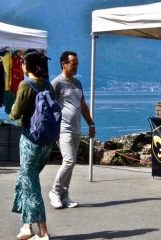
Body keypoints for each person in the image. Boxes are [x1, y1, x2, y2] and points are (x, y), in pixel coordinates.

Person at [11, 51, 53, 240]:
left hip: (30, 139)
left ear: (26, 65)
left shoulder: (25, 85)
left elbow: (16, 113)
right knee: (25, 180)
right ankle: (26, 226)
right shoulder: (48, 85)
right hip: (47, 141)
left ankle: (43, 232)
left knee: (31, 183)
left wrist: (13, 110)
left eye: (21, 63)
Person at [49, 51, 95, 210]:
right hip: (63, 129)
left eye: (77, 63)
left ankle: (64, 195)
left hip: (76, 128)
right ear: (64, 64)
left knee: (71, 163)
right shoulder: (56, 83)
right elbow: (48, 106)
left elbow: (82, 105)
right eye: (73, 63)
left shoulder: (78, 83)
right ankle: (55, 191)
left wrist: (91, 124)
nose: (76, 66)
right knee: (69, 160)